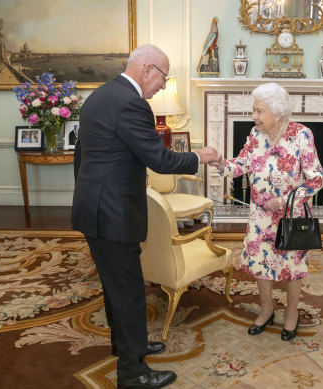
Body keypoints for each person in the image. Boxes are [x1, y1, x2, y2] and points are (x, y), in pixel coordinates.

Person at [71, 44, 219, 389]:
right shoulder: (131, 103)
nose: (162, 86)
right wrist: (203, 156)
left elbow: (82, 158)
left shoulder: (100, 96)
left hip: (95, 208)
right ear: (148, 69)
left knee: (115, 286)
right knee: (128, 290)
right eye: (163, 78)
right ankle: (133, 372)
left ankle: (125, 345)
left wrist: (89, 197)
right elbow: (161, 161)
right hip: (113, 214)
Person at [210, 83, 323, 341]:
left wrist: (284, 201)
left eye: (260, 111)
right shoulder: (255, 135)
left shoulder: (301, 135)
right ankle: (266, 310)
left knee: (292, 267)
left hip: (291, 215)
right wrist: (220, 163)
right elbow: (241, 164)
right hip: (261, 216)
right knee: (261, 264)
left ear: (277, 112)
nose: (254, 117)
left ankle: (291, 313)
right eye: (254, 111)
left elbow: (316, 180)